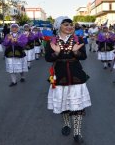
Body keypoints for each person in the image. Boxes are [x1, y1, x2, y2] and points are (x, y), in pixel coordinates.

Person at [45, 16, 91, 144]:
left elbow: (84, 57)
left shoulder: (78, 39)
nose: (70, 27)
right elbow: (48, 58)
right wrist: (56, 53)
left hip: (76, 75)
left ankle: (77, 132)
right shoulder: (52, 40)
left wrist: (76, 52)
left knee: (77, 106)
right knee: (63, 103)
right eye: (66, 25)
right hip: (59, 76)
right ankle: (66, 124)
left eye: (71, 25)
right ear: (59, 26)